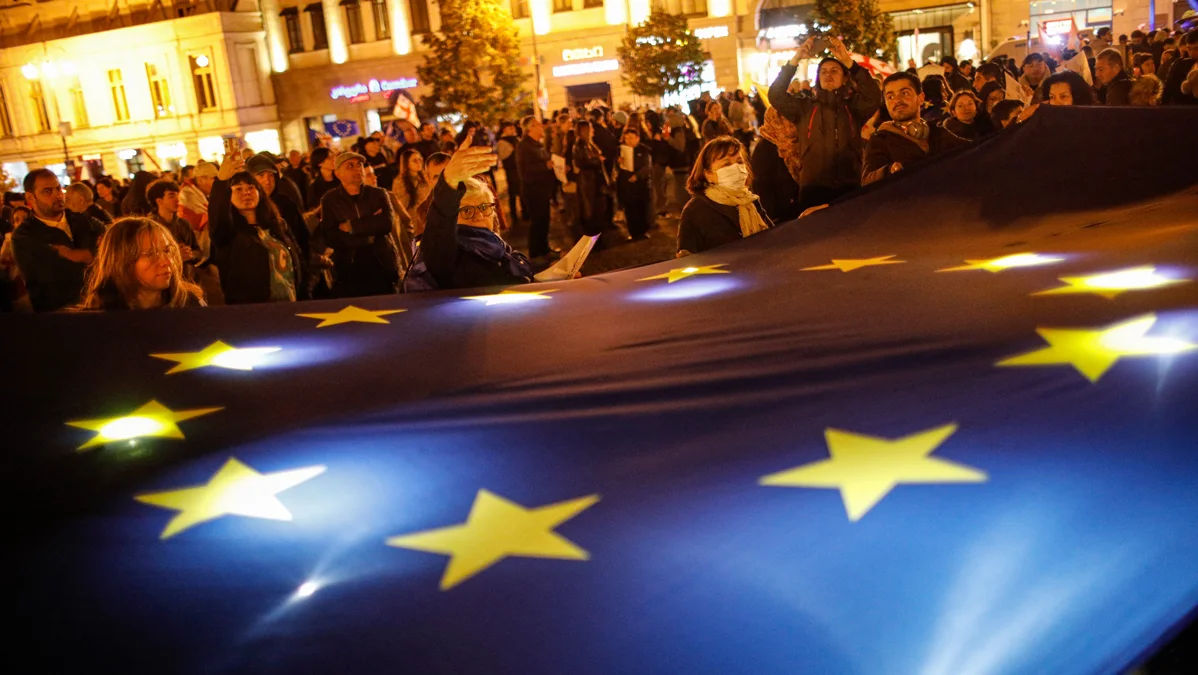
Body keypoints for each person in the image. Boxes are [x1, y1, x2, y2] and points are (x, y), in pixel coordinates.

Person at [404, 130, 534, 292]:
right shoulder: (451, 256)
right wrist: (448, 185)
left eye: (484, 207)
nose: (478, 216)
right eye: (466, 210)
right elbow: (438, 241)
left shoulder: (493, 242)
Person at [767, 35, 881, 210]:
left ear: (845, 78)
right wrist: (796, 59)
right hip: (813, 191)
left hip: (849, 188)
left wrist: (847, 61)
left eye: (834, 71)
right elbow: (776, 95)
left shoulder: (854, 107)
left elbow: (873, 95)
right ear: (818, 78)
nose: (828, 74)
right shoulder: (803, 108)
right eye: (824, 71)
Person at [208, 155, 302, 304]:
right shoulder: (229, 233)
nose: (246, 192)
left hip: (290, 304)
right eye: (238, 189)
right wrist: (221, 181)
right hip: (253, 310)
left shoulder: (276, 225)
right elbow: (218, 216)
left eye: (251, 187)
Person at [11, 169, 106, 311]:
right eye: (48, 191)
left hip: (100, 306)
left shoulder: (85, 221)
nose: (58, 195)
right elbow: (49, 277)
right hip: (59, 313)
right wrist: (92, 256)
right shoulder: (24, 236)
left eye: (58, 188)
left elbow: (112, 255)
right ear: (30, 198)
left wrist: (77, 256)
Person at [862, 72, 970, 186]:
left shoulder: (937, 132)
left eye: (904, 93)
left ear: (921, 98)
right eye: (890, 97)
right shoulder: (879, 140)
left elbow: (972, 150)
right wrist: (890, 170)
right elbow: (867, 181)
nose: (897, 100)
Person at [76, 217, 204, 310]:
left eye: (167, 250)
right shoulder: (95, 321)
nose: (167, 261)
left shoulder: (191, 307)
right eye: (150, 253)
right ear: (122, 261)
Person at [319, 152, 401, 298]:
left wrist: (350, 226)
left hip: (381, 263)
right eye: (350, 166)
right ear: (338, 173)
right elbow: (330, 236)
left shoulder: (378, 194)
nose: (357, 169)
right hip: (349, 268)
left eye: (360, 165)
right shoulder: (330, 200)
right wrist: (367, 235)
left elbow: (386, 223)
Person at [677, 136, 771, 257]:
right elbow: (687, 257)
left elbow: (772, 235)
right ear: (708, 174)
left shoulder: (750, 200)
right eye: (726, 164)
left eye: (740, 162)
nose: (736, 168)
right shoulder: (695, 209)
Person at [247, 153, 310, 297]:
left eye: (271, 175)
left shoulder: (286, 204)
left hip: (295, 284)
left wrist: (306, 276)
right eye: (261, 175)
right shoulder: (247, 210)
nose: (267, 180)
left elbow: (302, 240)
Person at [515, 115, 558, 260]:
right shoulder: (524, 146)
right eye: (538, 125)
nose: (542, 127)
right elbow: (525, 171)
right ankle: (535, 254)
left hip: (543, 189)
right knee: (537, 222)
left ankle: (544, 249)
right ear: (530, 128)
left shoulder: (537, 144)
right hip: (533, 190)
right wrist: (545, 166)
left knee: (544, 220)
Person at [751, 107, 801, 224]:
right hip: (783, 216)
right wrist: (773, 217)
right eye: (784, 119)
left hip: (804, 206)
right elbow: (762, 186)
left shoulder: (799, 139)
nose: (789, 123)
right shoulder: (764, 148)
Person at [145, 179, 201, 280]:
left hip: (187, 278)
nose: (177, 200)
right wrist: (175, 256)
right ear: (159, 201)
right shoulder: (149, 226)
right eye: (171, 196)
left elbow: (198, 251)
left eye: (177, 195)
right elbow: (147, 259)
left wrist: (191, 255)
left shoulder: (183, 223)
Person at [366, 164, 414, 275]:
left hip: (399, 251)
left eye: (374, 174)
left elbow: (406, 219)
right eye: (369, 175)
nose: (374, 177)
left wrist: (406, 239)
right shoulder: (360, 206)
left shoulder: (389, 196)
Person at [571, 120, 609, 238]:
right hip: (588, 181)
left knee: (597, 207)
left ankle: (596, 232)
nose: (593, 130)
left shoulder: (589, 144)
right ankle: (591, 234)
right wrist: (598, 160)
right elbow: (581, 162)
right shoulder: (580, 145)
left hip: (594, 180)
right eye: (590, 128)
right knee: (590, 208)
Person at [616, 128, 653, 240]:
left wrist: (637, 176)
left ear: (637, 138)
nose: (628, 141)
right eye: (626, 138)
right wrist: (618, 162)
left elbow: (647, 167)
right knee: (630, 209)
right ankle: (633, 232)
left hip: (640, 185)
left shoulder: (644, 150)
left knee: (641, 208)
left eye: (631, 138)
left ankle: (643, 231)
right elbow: (616, 168)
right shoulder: (620, 150)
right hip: (627, 185)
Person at [411, 151, 451, 240]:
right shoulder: (423, 211)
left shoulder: (474, 196)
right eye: (436, 177)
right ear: (427, 178)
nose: (443, 181)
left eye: (447, 174)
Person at [1162, 30, 1198, 105]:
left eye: (1196, 49)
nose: (1192, 53)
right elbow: (1168, 89)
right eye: (1189, 49)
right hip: (1182, 107)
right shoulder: (1179, 64)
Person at [496, 121, 522, 222]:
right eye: (510, 128)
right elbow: (504, 156)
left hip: (519, 168)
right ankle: (514, 214)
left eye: (513, 128)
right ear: (505, 130)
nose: (512, 130)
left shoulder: (516, 138)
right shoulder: (502, 142)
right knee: (512, 192)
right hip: (511, 170)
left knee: (521, 191)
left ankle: (524, 212)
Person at [391, 148, 430, 215]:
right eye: (415, 161)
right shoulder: (399, 181)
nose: (419, 162)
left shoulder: (425, 178)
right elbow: (401, 205)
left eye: (420, 159)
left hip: (426, 215)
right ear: (407, 163)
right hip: (410, 216)